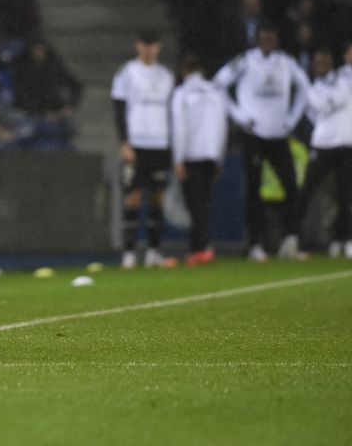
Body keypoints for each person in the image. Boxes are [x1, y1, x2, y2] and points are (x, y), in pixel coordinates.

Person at [214, 23, 310, 261]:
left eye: (271, 37)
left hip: (279, 134)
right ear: (257, 40)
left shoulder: (286, 62)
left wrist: (291, 119)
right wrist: (239, 116)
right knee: (254, 191)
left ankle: (291, 239)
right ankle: (255, 244)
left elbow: (305, 89)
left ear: (276, 40)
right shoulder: (245, 61)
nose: (267, 42)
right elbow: (219, 83)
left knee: (291, 187)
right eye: (263, 37)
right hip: (254, 136)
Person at [111, 29, 175, 269]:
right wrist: (124, 142)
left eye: (153, 44)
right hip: (136, 144)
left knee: (158, 198)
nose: (149, 49)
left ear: (159, 47)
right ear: (138, 46)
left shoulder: (167, 76)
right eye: (145, 44)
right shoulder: (127, 73)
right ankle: (128, 252)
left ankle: (153, 251)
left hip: (160, 143)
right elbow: (119, 108)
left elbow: (172, 112)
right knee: (134, 198)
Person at [170, 55, 228, 266]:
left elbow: (179, 128)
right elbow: (222, 126)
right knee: (204, 203)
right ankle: (199, 247)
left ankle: (201, 248)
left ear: (184, 71)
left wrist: (178, 158)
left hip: (191, 155)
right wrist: (220, 155)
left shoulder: (182, 93)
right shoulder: (215, 92)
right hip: (211, 154)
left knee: (194, 205)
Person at [296, 49, 352, 258]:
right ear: (313, 65)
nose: (321, 65)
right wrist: (322, 101)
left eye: (325, 61)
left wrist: (322, 101)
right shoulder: (314, 87)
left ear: (332, 63)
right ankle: (298, 240)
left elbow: (325, 104)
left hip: (346, 145)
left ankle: (344, 240)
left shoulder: (343, 80)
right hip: (322, 145)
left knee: (345, 196)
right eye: (318, 62)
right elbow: (314, 110)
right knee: (307, 192)